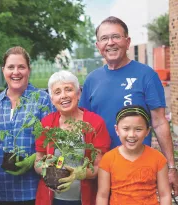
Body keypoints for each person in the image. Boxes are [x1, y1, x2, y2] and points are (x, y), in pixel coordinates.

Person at [79, 16, 178, 195]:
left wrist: (171, 168)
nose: (110, 43)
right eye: (104, 38)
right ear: (97, 46)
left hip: (137, 171)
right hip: (100, 171)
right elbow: (82, 124)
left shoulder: (146, 75)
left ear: (127, 41)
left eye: (116, 37)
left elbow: (159, 122)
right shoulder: (91, 80)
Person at [0, 46, 53, 205]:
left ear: (29, 70)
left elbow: (52, 143)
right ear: (3, 70)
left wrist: (33, 159)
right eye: (11, 67)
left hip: (33, 189)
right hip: (2, 191)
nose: (16, 72)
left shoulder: (43, 100)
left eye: (21, 67)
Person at [34, 70, 111, 205]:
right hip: (52, 199)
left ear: (78, 93)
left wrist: (80, 173)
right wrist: (45, 168)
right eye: (57, 92)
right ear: (52, 99)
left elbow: (101, 166)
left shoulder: (95, 123)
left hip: (85, 199)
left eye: (68, 89)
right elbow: (38, 161)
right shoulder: (46, 124)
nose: (63, 96)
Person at [96, 105, 171, 204]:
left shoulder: (158, 159)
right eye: (126, 129)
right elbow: (102, 196)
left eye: (138, 129)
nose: (131, 135)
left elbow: (165, 194)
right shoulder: (108, 159)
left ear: (147, 131)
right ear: (117, 130)